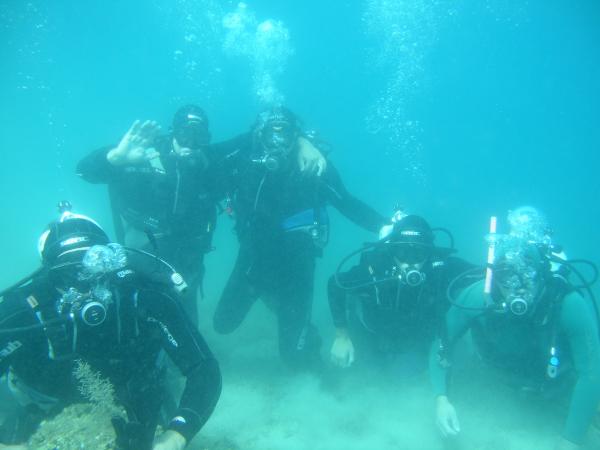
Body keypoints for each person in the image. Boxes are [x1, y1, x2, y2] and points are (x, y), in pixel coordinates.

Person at [77, 105, 326, 326]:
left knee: (185, 330)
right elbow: (84, 171)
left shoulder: (210, 164)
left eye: (199, 136)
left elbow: (258, 137)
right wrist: (114, 158)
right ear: (172, 132)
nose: (191, 143)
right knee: (132, 326)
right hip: (139, 262)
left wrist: (303, 140)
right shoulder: (142, 158)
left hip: (187, 268)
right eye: (185, 134)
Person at [0, 205, 222, 450]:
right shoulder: (21, 312)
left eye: (92, 269)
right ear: (48, 277)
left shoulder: (143, 296)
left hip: (137, 400)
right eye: (69, 274)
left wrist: (176, 435)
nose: (84, 284)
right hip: (41, 407)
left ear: (113, 264)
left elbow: (203, 368)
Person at [212, 106, 387, 370]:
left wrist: (387, 227)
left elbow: (347, 203)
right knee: (222, 324)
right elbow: (207, 156)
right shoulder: (244, 157)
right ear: (259, 134)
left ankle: (297, 321)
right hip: (252, 260)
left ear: (295, 135)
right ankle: (273, 298)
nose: (277, 141)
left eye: (285, 133)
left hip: (297, 267)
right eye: (271, 133)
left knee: (293, 357)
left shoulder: (314, 166)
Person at [430, 207, 600, 450]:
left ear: (542, 273)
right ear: (494, 277)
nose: (517, 285)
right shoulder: (478, 297)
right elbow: (440, 344)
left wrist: (571, 439)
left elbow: (591, 373)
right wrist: (441, 399)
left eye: (527, 274)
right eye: (506, 275)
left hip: (557, 389)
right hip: (494, 384)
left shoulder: (567, 304)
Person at [329, 212, 472, 373]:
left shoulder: (439, 268)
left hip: (422, 336)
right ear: (392, 251)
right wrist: (342, 336)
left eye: (418, 253)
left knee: (447, 364)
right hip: (372, 333)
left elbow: (483, 276)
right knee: (366, 371)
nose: (410, 262)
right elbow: (335, 284)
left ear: (429, 253)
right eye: (403, 252)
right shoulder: (376, 267)